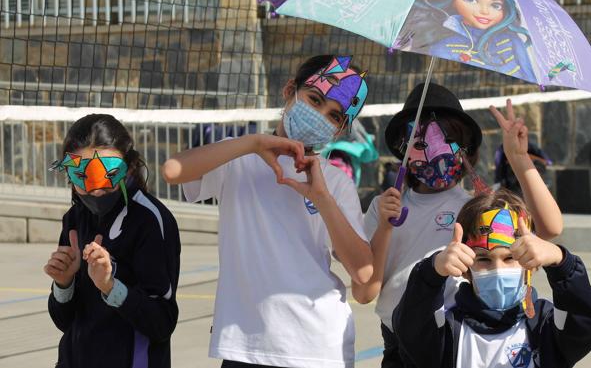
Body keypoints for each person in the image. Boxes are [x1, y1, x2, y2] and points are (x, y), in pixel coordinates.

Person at [161, 55, 373, 368]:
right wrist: (252, 143)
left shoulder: (336, 181)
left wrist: (322, 198)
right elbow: (173, 170)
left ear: (339, 130)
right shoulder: (239, 157)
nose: (319, 115)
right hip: (245, 346)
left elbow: (364, 274)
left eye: (334, 116)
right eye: (314, 100)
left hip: (317, 348)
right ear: (290, 90)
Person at [351, 83, 563, 368]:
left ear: (466, 150)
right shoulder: (383, 208)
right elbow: (364, 293)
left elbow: (550, 228)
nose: (436, 153)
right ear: (404, 149)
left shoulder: (476, 207)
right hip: (399, 341)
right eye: (421, 141)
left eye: (448, 138)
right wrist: (386, 228)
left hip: (453, 339)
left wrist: (518, 157)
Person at [392, 189, 591, 368]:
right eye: (484, 259)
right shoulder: (449, 332)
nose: (498, 269)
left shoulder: (544, 326)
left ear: (530, 263)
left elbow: (586, 322)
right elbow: (409, 327)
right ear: (466, 268)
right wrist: (431, 272)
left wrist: (561, 263)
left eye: (510, 257)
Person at [44, 114, 181, 368]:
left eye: (106, 175)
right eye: (81, 176)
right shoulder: (75, 218)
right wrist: (63, 285)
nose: (95, 190)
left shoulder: (149, 221)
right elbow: (66, 322)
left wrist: (110, 286)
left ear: (128, 167)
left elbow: (162, 322)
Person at [396, 0, 536, 82]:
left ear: (505, 9)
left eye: (495, 5)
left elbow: (529, 74)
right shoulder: (443, 46)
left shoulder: (511, 40)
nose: (484, 11)